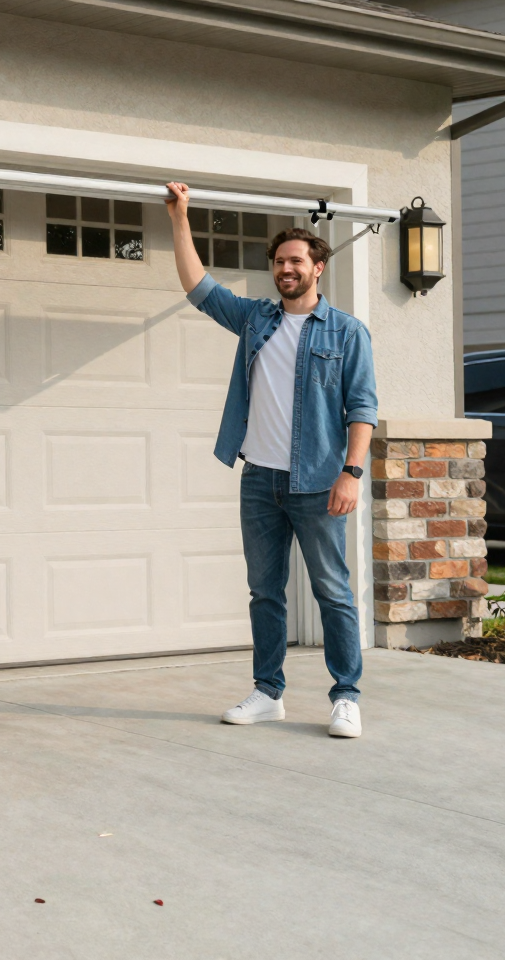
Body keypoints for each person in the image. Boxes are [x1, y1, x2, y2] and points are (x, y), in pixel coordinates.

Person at [164, 183, 377, 739]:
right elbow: (198, 286)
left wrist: (351, 473)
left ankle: (346, 697)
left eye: (296, 261)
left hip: (320, 481)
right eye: (280, 261)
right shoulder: (256, 319)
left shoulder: (347, 332)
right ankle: (268, 692)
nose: (286, 269)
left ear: (318, 268)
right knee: (265, 591)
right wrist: (180, 217)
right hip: (260, 478)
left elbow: (363, 409)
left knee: (332, 590)